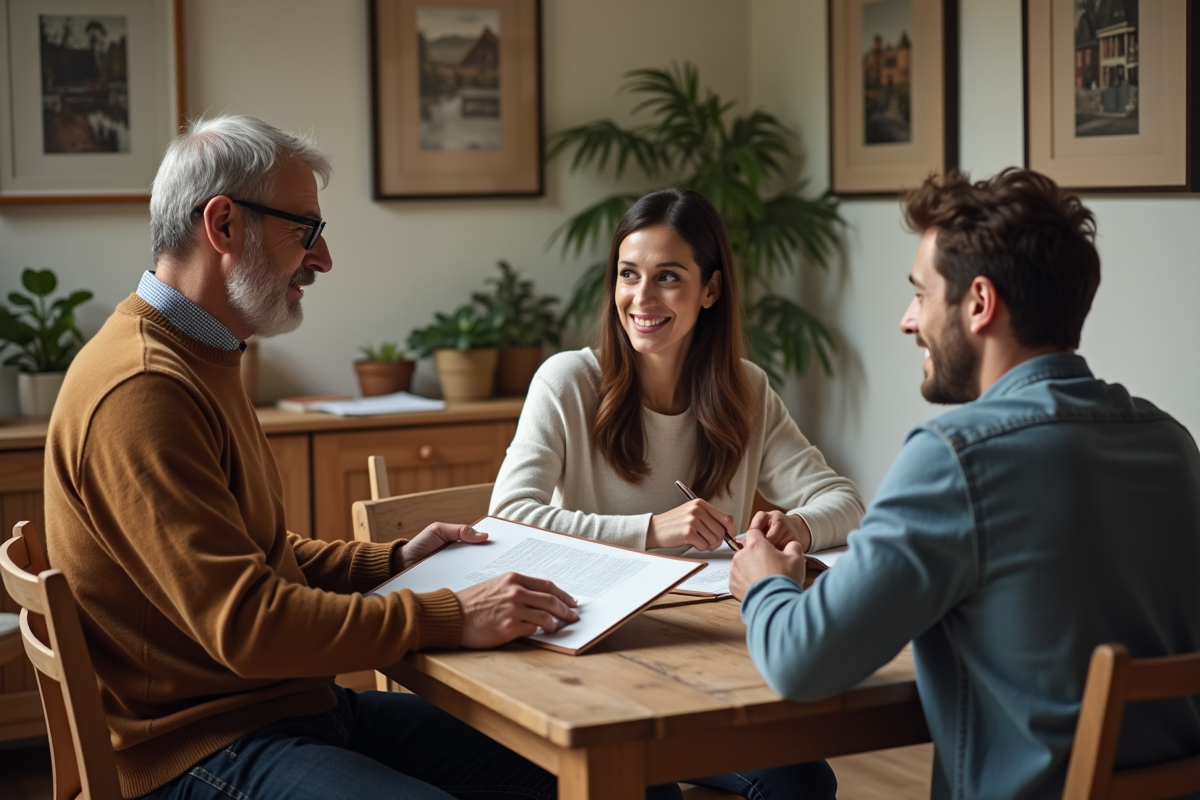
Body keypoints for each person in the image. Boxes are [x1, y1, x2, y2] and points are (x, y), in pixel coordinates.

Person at [41, 114, 618, 800]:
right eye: (305, 231)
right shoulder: (143, 390)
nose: (322, 259)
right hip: (195, 748)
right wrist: (451, 613)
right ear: (223, 225)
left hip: (286, 712)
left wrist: (395, 562)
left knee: (613, 778)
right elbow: (248, 624)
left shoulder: (199, 356)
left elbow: (254, 557)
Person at [729, 168, 1200, 799]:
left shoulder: (955, 459)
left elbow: (801, 663)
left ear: (979, 303)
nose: (906, 320)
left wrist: (765, 585)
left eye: (920, 294)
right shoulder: (1171, 443)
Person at [490, 187, 864, 798]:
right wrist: (650, 530)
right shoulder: (567, 381)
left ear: (710, 290)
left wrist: (793, 526)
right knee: (644, 787)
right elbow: (508, 517)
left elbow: (843, 501)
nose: (642, 298)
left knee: (802, 783)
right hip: (586, 659)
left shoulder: (745, 388)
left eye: (668, 277)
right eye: (628, 275)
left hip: (700, 659)